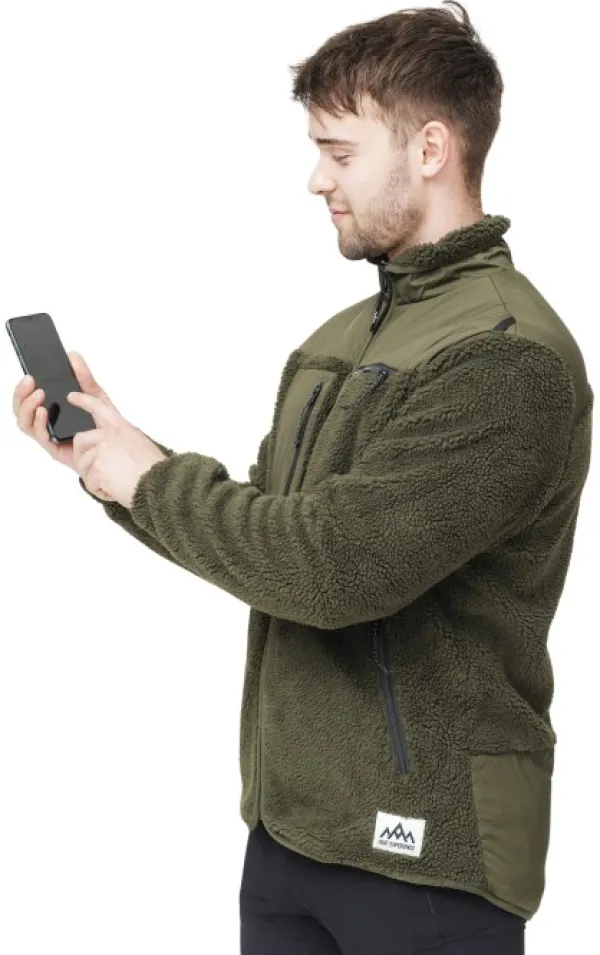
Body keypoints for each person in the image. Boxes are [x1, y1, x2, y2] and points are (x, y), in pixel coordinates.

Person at [13, 3, 593, 953]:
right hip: (291, 835)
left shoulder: (504, 357)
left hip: (427, 856)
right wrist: (109, 462)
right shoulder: (341, 340)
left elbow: (335, 567)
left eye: (339, 151)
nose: (316, 178)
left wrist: (146, 478)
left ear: (431, 148)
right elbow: (269, 536)